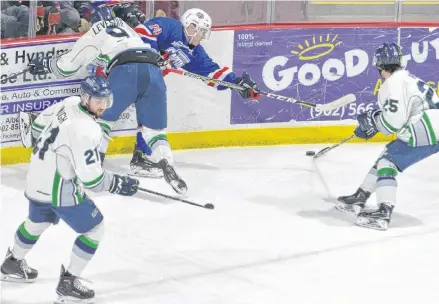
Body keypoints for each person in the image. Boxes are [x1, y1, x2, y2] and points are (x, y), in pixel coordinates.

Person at [1, 76, 139, 304]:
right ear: (86, 98)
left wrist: (59, 151)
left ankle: (12, 263)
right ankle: (68, 284)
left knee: (37, 223)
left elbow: (36, 126)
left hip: (35, 176)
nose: (102, 105)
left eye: (105, 99)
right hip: (57, 186)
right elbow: (92, 179)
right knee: (94, 228)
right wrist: (117, 183)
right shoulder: (87, 129)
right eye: (97, 100)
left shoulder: (70, 102)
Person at [24, 4, 189, 196]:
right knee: (155, 132)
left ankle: (96, 162)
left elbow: (66, 67)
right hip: (153, 71)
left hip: (125, 71)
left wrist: (45, 64)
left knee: (103, 120)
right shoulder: (128, 29)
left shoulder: (94, 33)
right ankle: (166, 164)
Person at [129, 6, 261, 177]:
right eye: (201, 31)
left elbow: (212, 72)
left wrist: (237, 83)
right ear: (191, 26)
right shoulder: (171, 26)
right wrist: (154, 55)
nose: (202, 36)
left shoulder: (193, 51)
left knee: (149, 112)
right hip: (127, 69)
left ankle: (141, 156)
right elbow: (142, 31)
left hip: (145, 83)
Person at [335, 42, 439, 230]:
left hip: (427, 130)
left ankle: (384, 211)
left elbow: (393, 122)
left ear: (379, 65)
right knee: (387, 154)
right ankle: (360, 196)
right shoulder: (405, 78)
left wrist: (373, 125)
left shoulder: (392, 83)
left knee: (387, 163)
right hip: (430, 127)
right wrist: (376, 120)